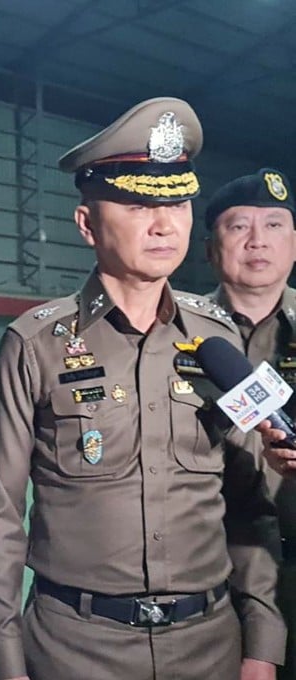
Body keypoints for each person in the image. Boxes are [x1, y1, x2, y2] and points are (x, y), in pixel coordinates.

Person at [0, 97, 284, 680]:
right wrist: (5, 663)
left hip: (210, 646)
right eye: (140, 203)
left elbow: (248, 505)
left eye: (177, 202)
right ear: (88, 224)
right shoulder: (36, 343)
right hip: (74, 651)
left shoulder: (218, 341)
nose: (165, 223)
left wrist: (261, 645)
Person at [206, 168, 296, 678]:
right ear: (209, 248)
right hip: (209, 582)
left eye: (275, 225)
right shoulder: (170, 336)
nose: (258, 240)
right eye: (238, 226)